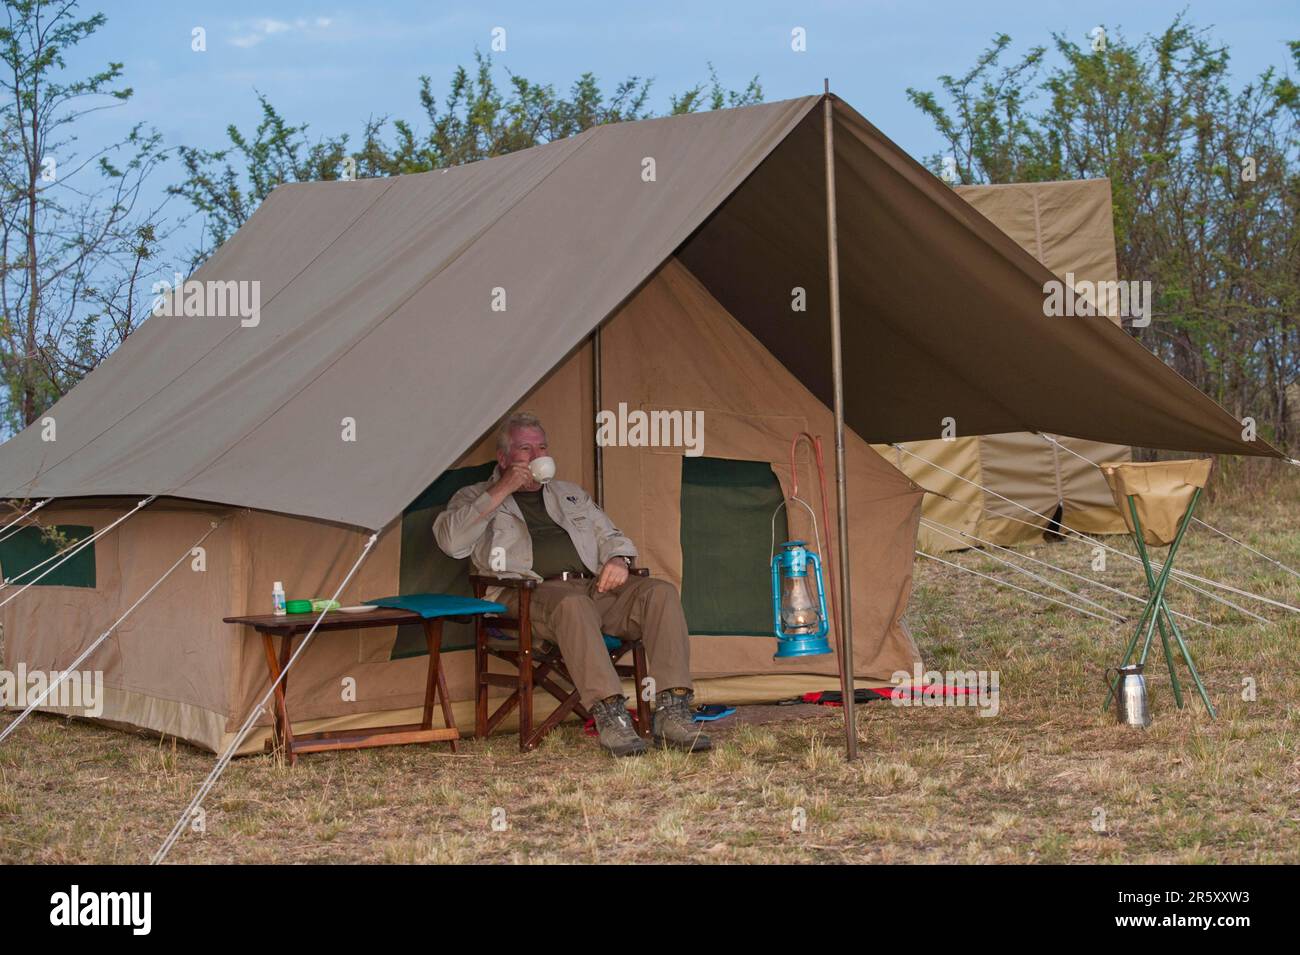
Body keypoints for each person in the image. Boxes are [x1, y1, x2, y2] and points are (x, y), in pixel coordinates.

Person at [433, 411, 711, 757]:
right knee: (572, 604)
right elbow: (451, 542)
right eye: (525, 449)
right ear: (503, 458)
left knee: (660, 593)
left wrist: (618, 560)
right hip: (525, 595)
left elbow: (611, 535)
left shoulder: (569, 494)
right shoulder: (475, 495)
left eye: (542, 448)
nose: (536, 456)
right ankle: (611, 716)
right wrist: (502, 489)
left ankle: (673, 713)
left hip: (591, 589)